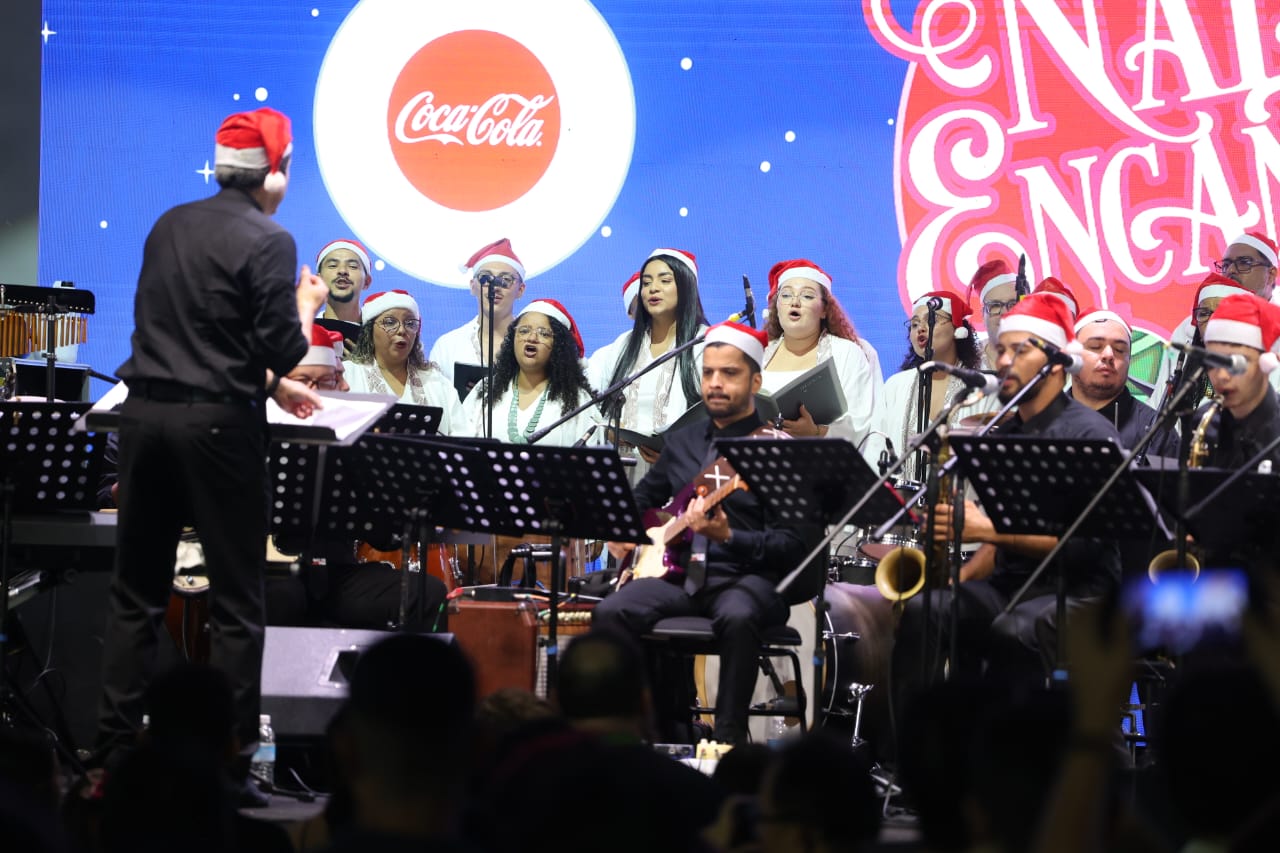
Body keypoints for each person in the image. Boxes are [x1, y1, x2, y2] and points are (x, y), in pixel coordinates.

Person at [97, 106, 328, 768]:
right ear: (276, 172)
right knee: (236, 600)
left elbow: (191, 332)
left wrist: (270, 386)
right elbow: (283, 345)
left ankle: (111, 752)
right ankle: (227, 760)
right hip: (217, 428)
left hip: (145, 416)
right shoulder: (269, 238)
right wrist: (306, 305)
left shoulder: (170, 224)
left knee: (134, 594)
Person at [893, 294, 1123, 702]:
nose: (1003, 361)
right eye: (1001, 350)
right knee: (927, 610)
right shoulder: (1008, 431)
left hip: (1080, 593)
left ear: (1055, 362)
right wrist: (953, 581)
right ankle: (909, 755)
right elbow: (996, 545)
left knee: (1011, 631)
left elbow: (1084, 548)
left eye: (1019, 351)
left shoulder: (1090, 435)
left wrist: (989, 531)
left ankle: (1015, 755)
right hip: (1011, 584)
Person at [593, 322, 811, 745]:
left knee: (738, 616)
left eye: (729, 373)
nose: (715, 383)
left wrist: (731, 537)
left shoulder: (777, 447)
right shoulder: (683, 440)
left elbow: (794, 545)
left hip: (750, 580)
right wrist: (623, 533)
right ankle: (637, 735)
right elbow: (640, 500)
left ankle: (727, 744)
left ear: (756, 380)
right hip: (681, 576)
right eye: (709, 372)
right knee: (610, 612)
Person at [589, 249, 708, 476]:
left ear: (686, 287)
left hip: (681, 476)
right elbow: (589, 405)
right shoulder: (622, 346)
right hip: (621, 470)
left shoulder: (707, 343)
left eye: (664, 280)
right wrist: (608, 430)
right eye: (646, 282)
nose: (653, 288)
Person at [871, 289, 993, 482]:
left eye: (932, 319)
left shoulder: (982, 387)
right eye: (914, 324)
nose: (920, 328)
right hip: (903, 503)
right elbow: (875, 449)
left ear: (957, 329)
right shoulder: (895, 385)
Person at [759, 259, 880, 446]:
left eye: (807, 296)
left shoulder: (846, 353)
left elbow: (862, 423)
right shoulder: (759, 354)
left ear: (824, 309)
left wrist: (816, 432)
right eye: (786, 295)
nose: (795, 302)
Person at [459, 299, 596, 445]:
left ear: (558, 346)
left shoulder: (578, 400)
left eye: (544, 334)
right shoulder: (487, 389)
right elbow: (461, 441)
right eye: (524, 331)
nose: (532, 338)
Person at [343, 289, 459, 433]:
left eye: (410, 323)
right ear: (369, 331)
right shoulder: (347, 375)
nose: (402, 330)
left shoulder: (437, 383)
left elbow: (463, 436)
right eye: (390, 322)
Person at [1070, 309, 1180, 457]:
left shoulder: (1157, 432)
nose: (1108, 355)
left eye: (1119, 350)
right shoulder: (1045, 419)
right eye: (1095, 346)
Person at [428, 237, 527, 389]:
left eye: (506, 279)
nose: (495, 287)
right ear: (472, 286)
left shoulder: (532, 345)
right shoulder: (448, 346)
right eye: (485, 278)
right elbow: (435, 401)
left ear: (520, 290)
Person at [314, 238, 373, 352]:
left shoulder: (381, 337)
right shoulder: (302, 334)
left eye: (352, 266)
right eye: (332, 265)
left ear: (367, 282)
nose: (342, 271)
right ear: (318, 280)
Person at [970, 259, 1019, 369]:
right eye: (995, 306)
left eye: (1013, 304)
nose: (1005, 313)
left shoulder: (1044, 360)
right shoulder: (967, 362)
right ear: (983, 315)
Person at [1216, 229, 1278, 301]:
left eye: (1244, 263)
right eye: (1226, 265)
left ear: (1271, 275)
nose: (1230, 270)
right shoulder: (1210, 310)